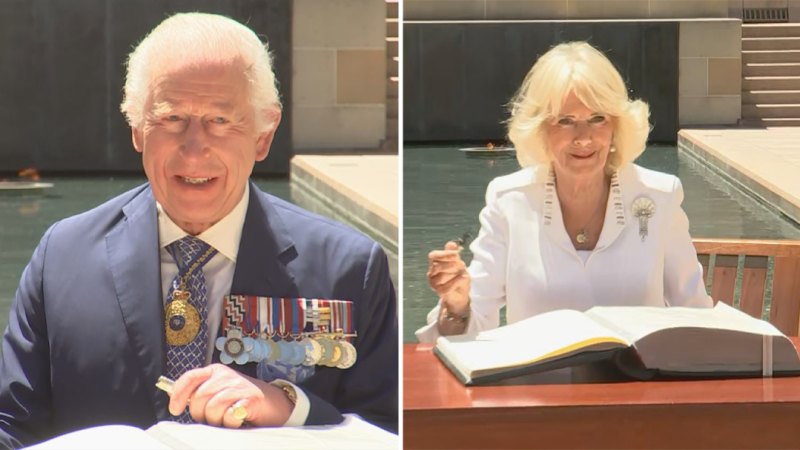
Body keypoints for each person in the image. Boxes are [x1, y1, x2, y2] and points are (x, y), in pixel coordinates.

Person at [0, 12, 397, 448]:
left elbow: (388, 429)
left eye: (220, 121)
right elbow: (12, 425)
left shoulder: (350, 270)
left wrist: (289, 407)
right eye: (171, 119)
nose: (194, 149)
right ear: (137, 129)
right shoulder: (62, 259)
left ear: (263, 135)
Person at [417, 41, 712, 343]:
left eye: (598, 118)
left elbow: (697, 317)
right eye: (565, 121)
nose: (584, 138)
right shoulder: (508, 200)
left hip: (635, 385)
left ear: (616, 126)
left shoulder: (660, 196)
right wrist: (457, 305)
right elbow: (470, 331)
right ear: (541, 129)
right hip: (535, 386)